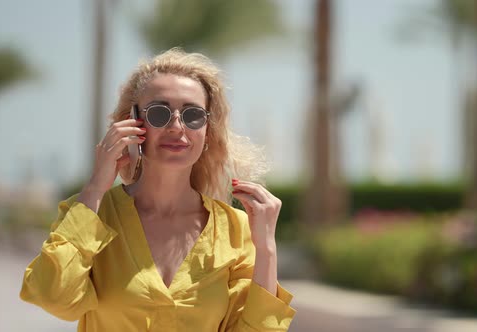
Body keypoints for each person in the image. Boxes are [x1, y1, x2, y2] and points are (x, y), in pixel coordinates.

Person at [20, 48, 296, 331]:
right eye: (160, 113)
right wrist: (94, 187)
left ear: (207, 131)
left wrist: (267, 250)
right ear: (132, 123)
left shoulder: (236, 230)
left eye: (192, 115)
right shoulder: (92, 215)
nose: (177, 126)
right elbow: (55, 297)